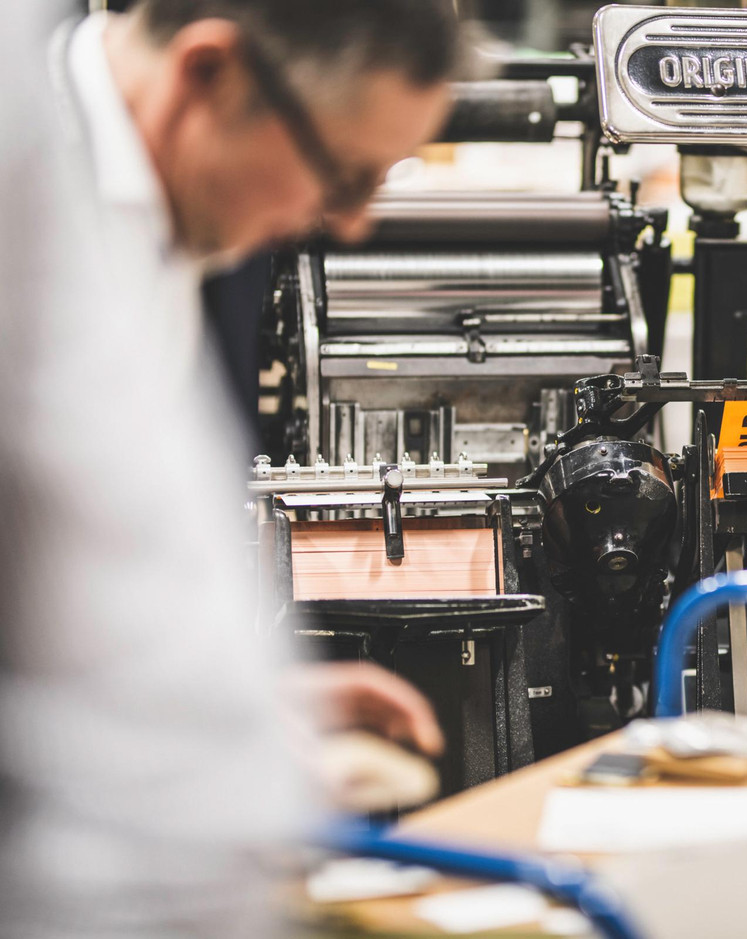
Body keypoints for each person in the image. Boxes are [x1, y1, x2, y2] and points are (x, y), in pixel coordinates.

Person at [0, 2, 461, 936]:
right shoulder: (30, 222)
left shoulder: (158, 234)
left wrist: (244, 703)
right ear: (209, 74)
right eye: (343, 173)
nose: (355, 224)